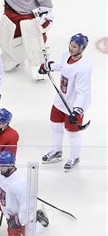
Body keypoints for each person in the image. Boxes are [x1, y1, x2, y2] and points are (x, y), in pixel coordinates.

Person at [40, 33, 92, 171]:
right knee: (55, 126)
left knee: (72, 132)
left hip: (74, 104)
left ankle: (75, 157)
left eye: (75, 46)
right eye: (71, 44)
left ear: (82, 49)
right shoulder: (66, 54)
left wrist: (77, 110)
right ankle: (57, 151)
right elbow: (62, 65)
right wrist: (48, 66)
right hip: (61, 99)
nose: (71, 48)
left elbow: (83, 92)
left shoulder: (84, 67)